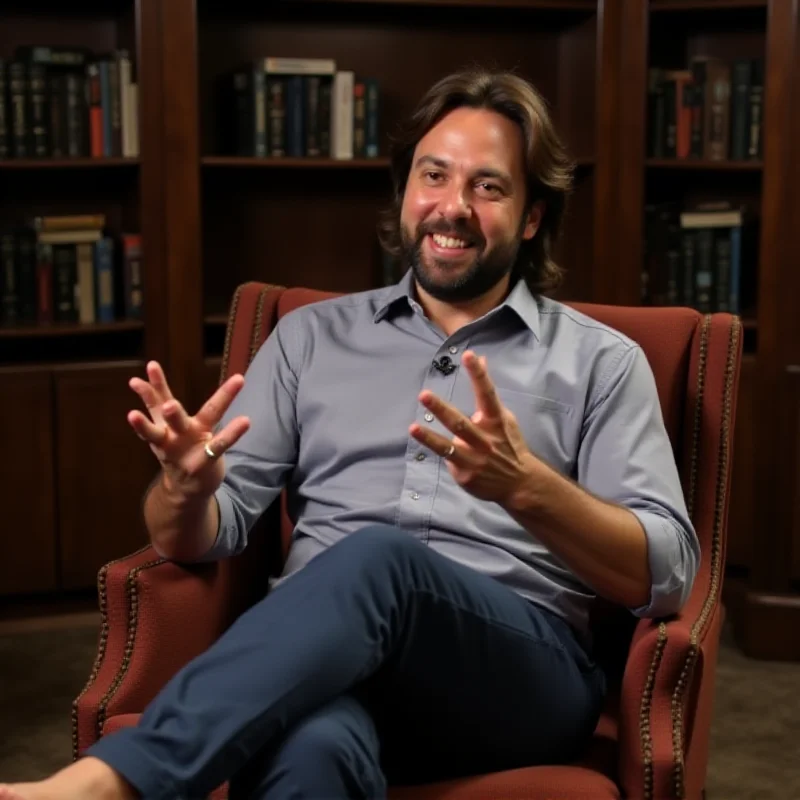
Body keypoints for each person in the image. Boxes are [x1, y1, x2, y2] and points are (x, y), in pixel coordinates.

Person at [0, 66, 698, 800]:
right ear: (404, 191)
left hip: (516, 677)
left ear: (531, 217)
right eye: (434, 176)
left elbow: (665, 574)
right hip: (328, 657)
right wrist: (183, 489)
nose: (452, 207)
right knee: (309, 745)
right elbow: (193, 538)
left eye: (489, 187)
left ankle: (114, 782)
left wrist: (530, 491)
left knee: (379, 561)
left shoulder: (600, 362)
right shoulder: (308, 339)